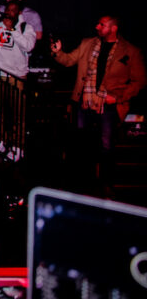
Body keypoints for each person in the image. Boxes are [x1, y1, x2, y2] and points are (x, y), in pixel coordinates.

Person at [51, 16, 145, 185]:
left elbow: (140, 81)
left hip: (108, 104)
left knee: (106, 145)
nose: (97, 27)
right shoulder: (88, 43)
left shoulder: (131, 51)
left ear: (113, 28)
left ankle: (106, 185)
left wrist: (117, 97)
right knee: (81, 142)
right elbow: (69, 60)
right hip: (84, 101)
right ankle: (83, 183)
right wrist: (58, 52)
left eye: (102, 25)